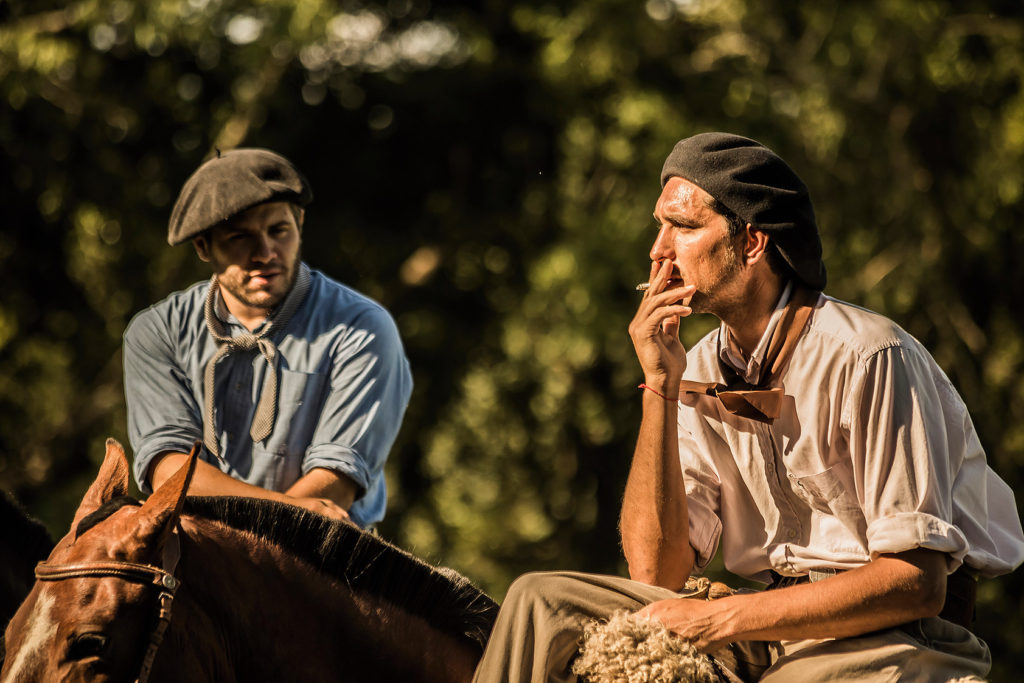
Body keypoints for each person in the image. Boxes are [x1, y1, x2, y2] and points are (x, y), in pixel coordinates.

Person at [472, 133, 1024, 682]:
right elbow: (656, 573)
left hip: (888, 637)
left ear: (753, 242)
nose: (658, 250)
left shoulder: (869, 356)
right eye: (660, 225)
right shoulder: (698, 366)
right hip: (765, 631)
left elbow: (917, 582)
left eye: (683, 227)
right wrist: (660, 387)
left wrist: (716, 619)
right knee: (539, 601)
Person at [123, 148, 413, 528]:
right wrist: (283, 513)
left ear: (301, 222)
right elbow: (171, 476)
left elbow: (334, 488)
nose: (265, 253)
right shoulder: (156, 333)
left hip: (325, 564)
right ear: (202, 246)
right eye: (240, 238)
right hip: (195, 560)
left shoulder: (362, 328)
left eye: (279, 231)